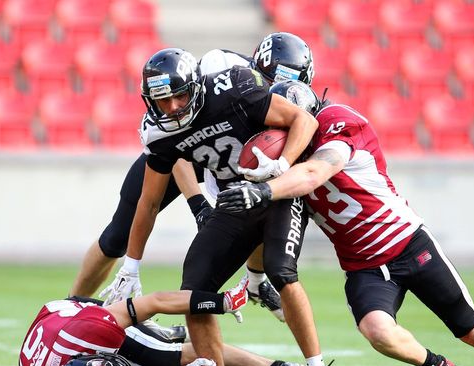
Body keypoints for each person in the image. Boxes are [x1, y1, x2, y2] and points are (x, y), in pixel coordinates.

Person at [217, 81, 474, 366]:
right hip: (363, 266)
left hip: (407, 243)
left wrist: (265, 187)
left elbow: (315, 173)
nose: (280, 134)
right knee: (377, 331)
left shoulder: (339, 123)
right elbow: (275, 233)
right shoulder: (283, 164)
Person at [99, 47, 350, 366]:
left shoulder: (232, 88)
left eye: (179, 96)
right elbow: (148, 202)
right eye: (162, 100)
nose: (171, 107)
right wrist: (131, 265)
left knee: (282, 269)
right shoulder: (159, 133)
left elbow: (304, 122)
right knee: (195, 285)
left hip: (277, 191)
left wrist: (279, 168)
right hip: (234, 199)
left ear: (196, 87)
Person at [70, 32, 314, 323]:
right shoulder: (226, 74)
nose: (276, 90)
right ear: (257, 67)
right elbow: (181, 138)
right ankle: (70, 309)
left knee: (260, 200)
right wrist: (198, 204)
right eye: (271, 81)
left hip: (234, 152)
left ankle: (256, 281)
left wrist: (280, 167)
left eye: (286, 86)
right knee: (117, 236)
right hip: (189, 151)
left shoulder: (275, 102)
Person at [19, 278, 248, 366]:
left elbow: (155, 300)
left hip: (72, 313)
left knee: (161, 354)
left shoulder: (91, 332)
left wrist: (222, 302)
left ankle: (160, 332)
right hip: (52, 334)